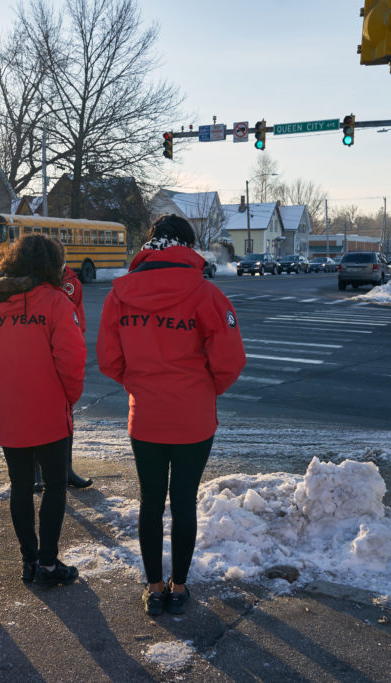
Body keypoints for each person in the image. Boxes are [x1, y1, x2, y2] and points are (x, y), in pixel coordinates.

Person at [96, 214, 246, 617]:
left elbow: (108, 360)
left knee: (149, 502)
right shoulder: (206, 295)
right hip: (193, 418)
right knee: (182, 503)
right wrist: (202, 390)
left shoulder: (120, 295)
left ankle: (153, 586)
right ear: (187, 247)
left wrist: (139, 384)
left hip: (145, 416)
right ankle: (179, 587)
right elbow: (230, 361)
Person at [0, 233, 87, 587]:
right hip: (49, 409)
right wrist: (68, 397)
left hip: (8, 409)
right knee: (53, 485)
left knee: (19, 485)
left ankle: (29, 561)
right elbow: (72, 358)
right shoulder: (55, 302)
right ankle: (48, 563)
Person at [33, 240, 93, 492]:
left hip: (64, 352)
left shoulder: (71, 281)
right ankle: (36, 471)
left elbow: (77, 318)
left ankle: (65, 468)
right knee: (34, 416)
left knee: (65, 417)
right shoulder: (33, 280)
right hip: (37, 356)